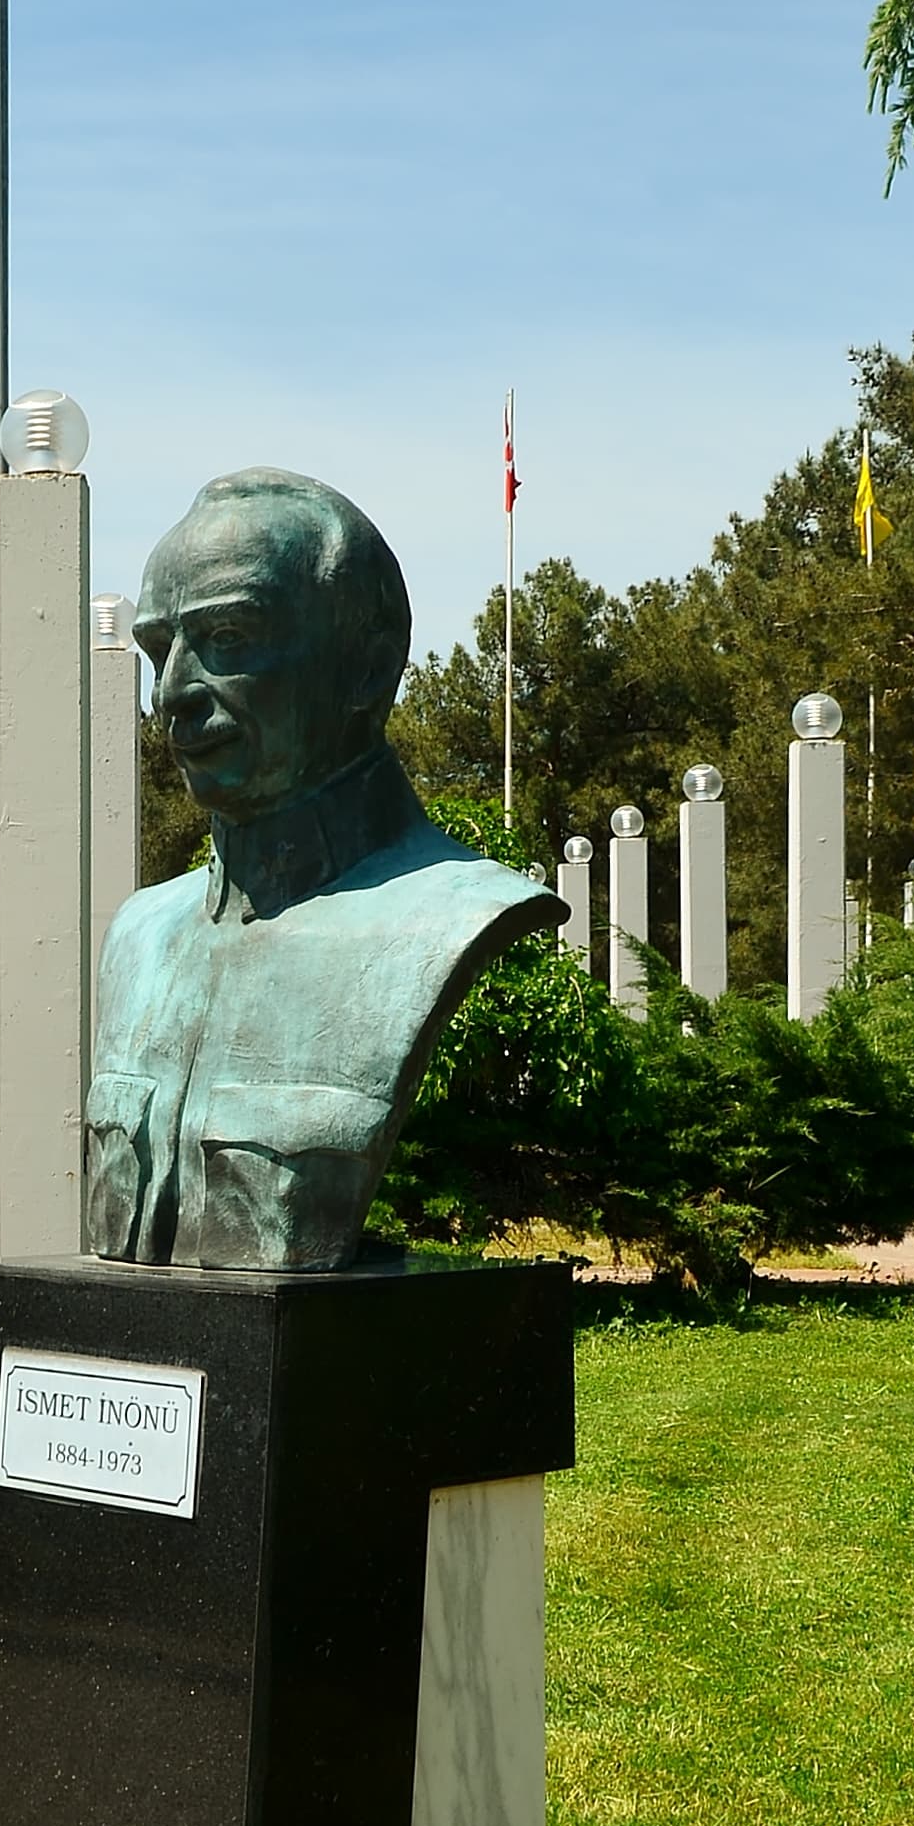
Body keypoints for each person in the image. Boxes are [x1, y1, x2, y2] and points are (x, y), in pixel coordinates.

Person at [85, 467, 561, 1270]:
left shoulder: (445, 917)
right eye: (160, 650)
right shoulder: (140, 935)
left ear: (368, 670)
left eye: (228, 640)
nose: (170, 694)